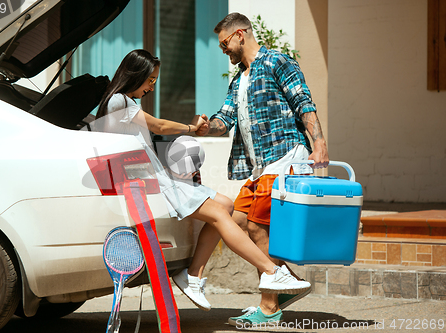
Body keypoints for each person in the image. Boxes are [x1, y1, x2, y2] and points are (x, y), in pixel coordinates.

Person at [94, 49, 310, 314]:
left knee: (226, 204)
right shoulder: (118, 101)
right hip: (149, 183)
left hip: (157, 176)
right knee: (220, 214)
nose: (151, 87)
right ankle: (270, 270)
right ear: (134, 74)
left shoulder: (125, 103)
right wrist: (191, 128)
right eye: (150, 80)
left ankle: (192, 275)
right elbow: (158, 126)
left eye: (155, 81)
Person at [195, 13, 329, 326]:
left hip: (285, 156)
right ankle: (287, 283)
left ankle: (269, 307)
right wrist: (204, 127)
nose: (223, 50)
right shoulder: (238, 79)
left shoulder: (276, 62)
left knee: (257, 226)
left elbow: (303, 102)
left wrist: (319, 142)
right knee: (235, 222)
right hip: (258, 167)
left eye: (224, 43)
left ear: (240, 34)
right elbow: (224, 119)